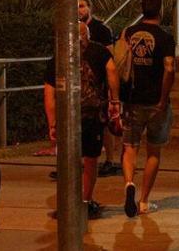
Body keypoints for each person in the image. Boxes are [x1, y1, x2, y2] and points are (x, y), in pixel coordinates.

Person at [43, 21, 120, 220]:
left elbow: (49, 94)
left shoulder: (57, 59)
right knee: (91, 160)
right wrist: (114, 101)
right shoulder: (100, 52)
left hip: (66, 117)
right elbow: (112, 72)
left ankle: (68, 203)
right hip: (91, 115)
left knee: (68, 161)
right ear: (87, 35)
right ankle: (85, 201)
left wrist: (52, 123)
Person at [119, 0, 176, 217]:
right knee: (154, 151)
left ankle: (128, 184)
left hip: (132, 99)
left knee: (129, 147)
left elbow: (119, 62)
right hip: (155, 102)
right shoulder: (165, 37)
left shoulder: (128, 33)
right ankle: (143, 201)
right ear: (160, 10)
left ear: (141, 9)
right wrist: (163, 98)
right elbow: (169, 68)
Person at [78, 0, 120, 176]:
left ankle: (109, 160)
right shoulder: (71, 28)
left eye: (82, 5)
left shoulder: (102, 30)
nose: (79, 10)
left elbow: (110, 58)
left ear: (89, 7)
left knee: (104, 122)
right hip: (80, 85)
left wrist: (112, 91)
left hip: (99, 84)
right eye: (77, 6)